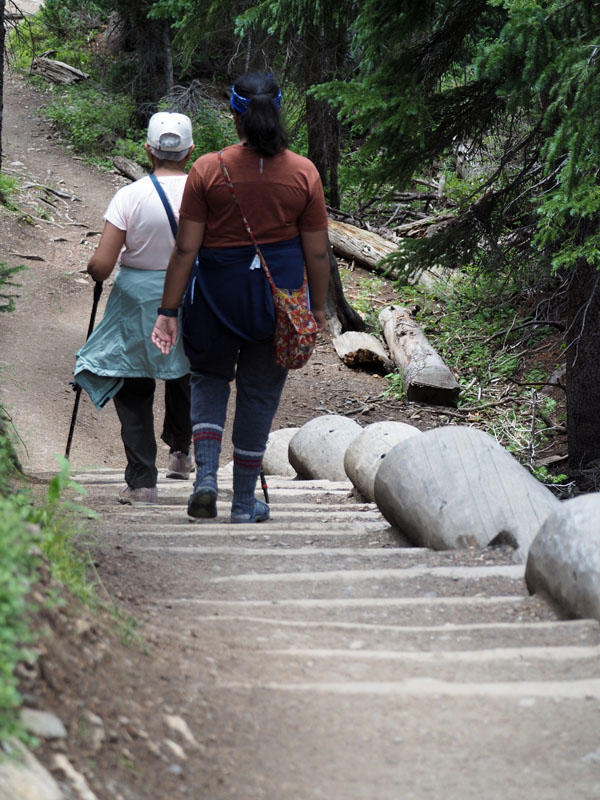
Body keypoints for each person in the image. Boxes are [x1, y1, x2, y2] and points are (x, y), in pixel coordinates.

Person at [151, 71, 330, 523]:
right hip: (278, 300)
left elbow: (186, 248)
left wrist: (168, 310)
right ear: (279, 111)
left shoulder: (208, 169)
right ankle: (245, 502)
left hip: (215, 297)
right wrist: (319, 308)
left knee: (209, 380)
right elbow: (317, 251)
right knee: (259, 394)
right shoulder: (304, 172)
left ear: (235, 114)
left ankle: (206, 478)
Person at [74, 112, 195, 504]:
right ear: (191, 152)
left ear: (147, 150)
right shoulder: (204, 193)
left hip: (138, 300)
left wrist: (92, 268)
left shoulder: (129, 196)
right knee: (185, 373)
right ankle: (181, 454)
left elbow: (102, 265)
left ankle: (142, 482)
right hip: (191, 295)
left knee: (134, 383)